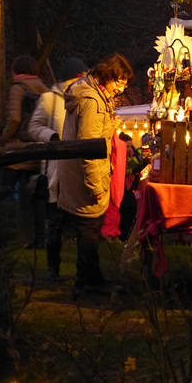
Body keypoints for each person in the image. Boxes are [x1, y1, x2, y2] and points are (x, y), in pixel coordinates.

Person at [56, 53, 132, 294]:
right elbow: (89, 146)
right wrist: (95, 185)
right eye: (119, 83)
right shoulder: (92, 101)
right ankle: (90, 281)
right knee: (89, 228)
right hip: (86, 175)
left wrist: (110, 125)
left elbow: (94, 133)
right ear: (108, 76)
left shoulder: (94, 96)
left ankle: (86, 277)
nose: (120, 90)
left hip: (79, 172)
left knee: (88, 227)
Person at [27, 57, 88, 281]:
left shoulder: (87, 99)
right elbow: (34, 127)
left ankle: (84, 271)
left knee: (83, 224)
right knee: (55, 222)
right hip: (57, 172)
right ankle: (53, 270)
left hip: (80, 169)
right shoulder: (50, 100)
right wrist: (52, 137)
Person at [0, 55, 50, 249]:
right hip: (37, 149)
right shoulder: (45, 91)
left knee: (4, 193)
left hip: (16, 150)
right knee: (37, 197)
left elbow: (14, 118)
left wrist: (4, 137)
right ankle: (40, 239)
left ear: (16, 71)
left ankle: (5, 236)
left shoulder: (17, 88)